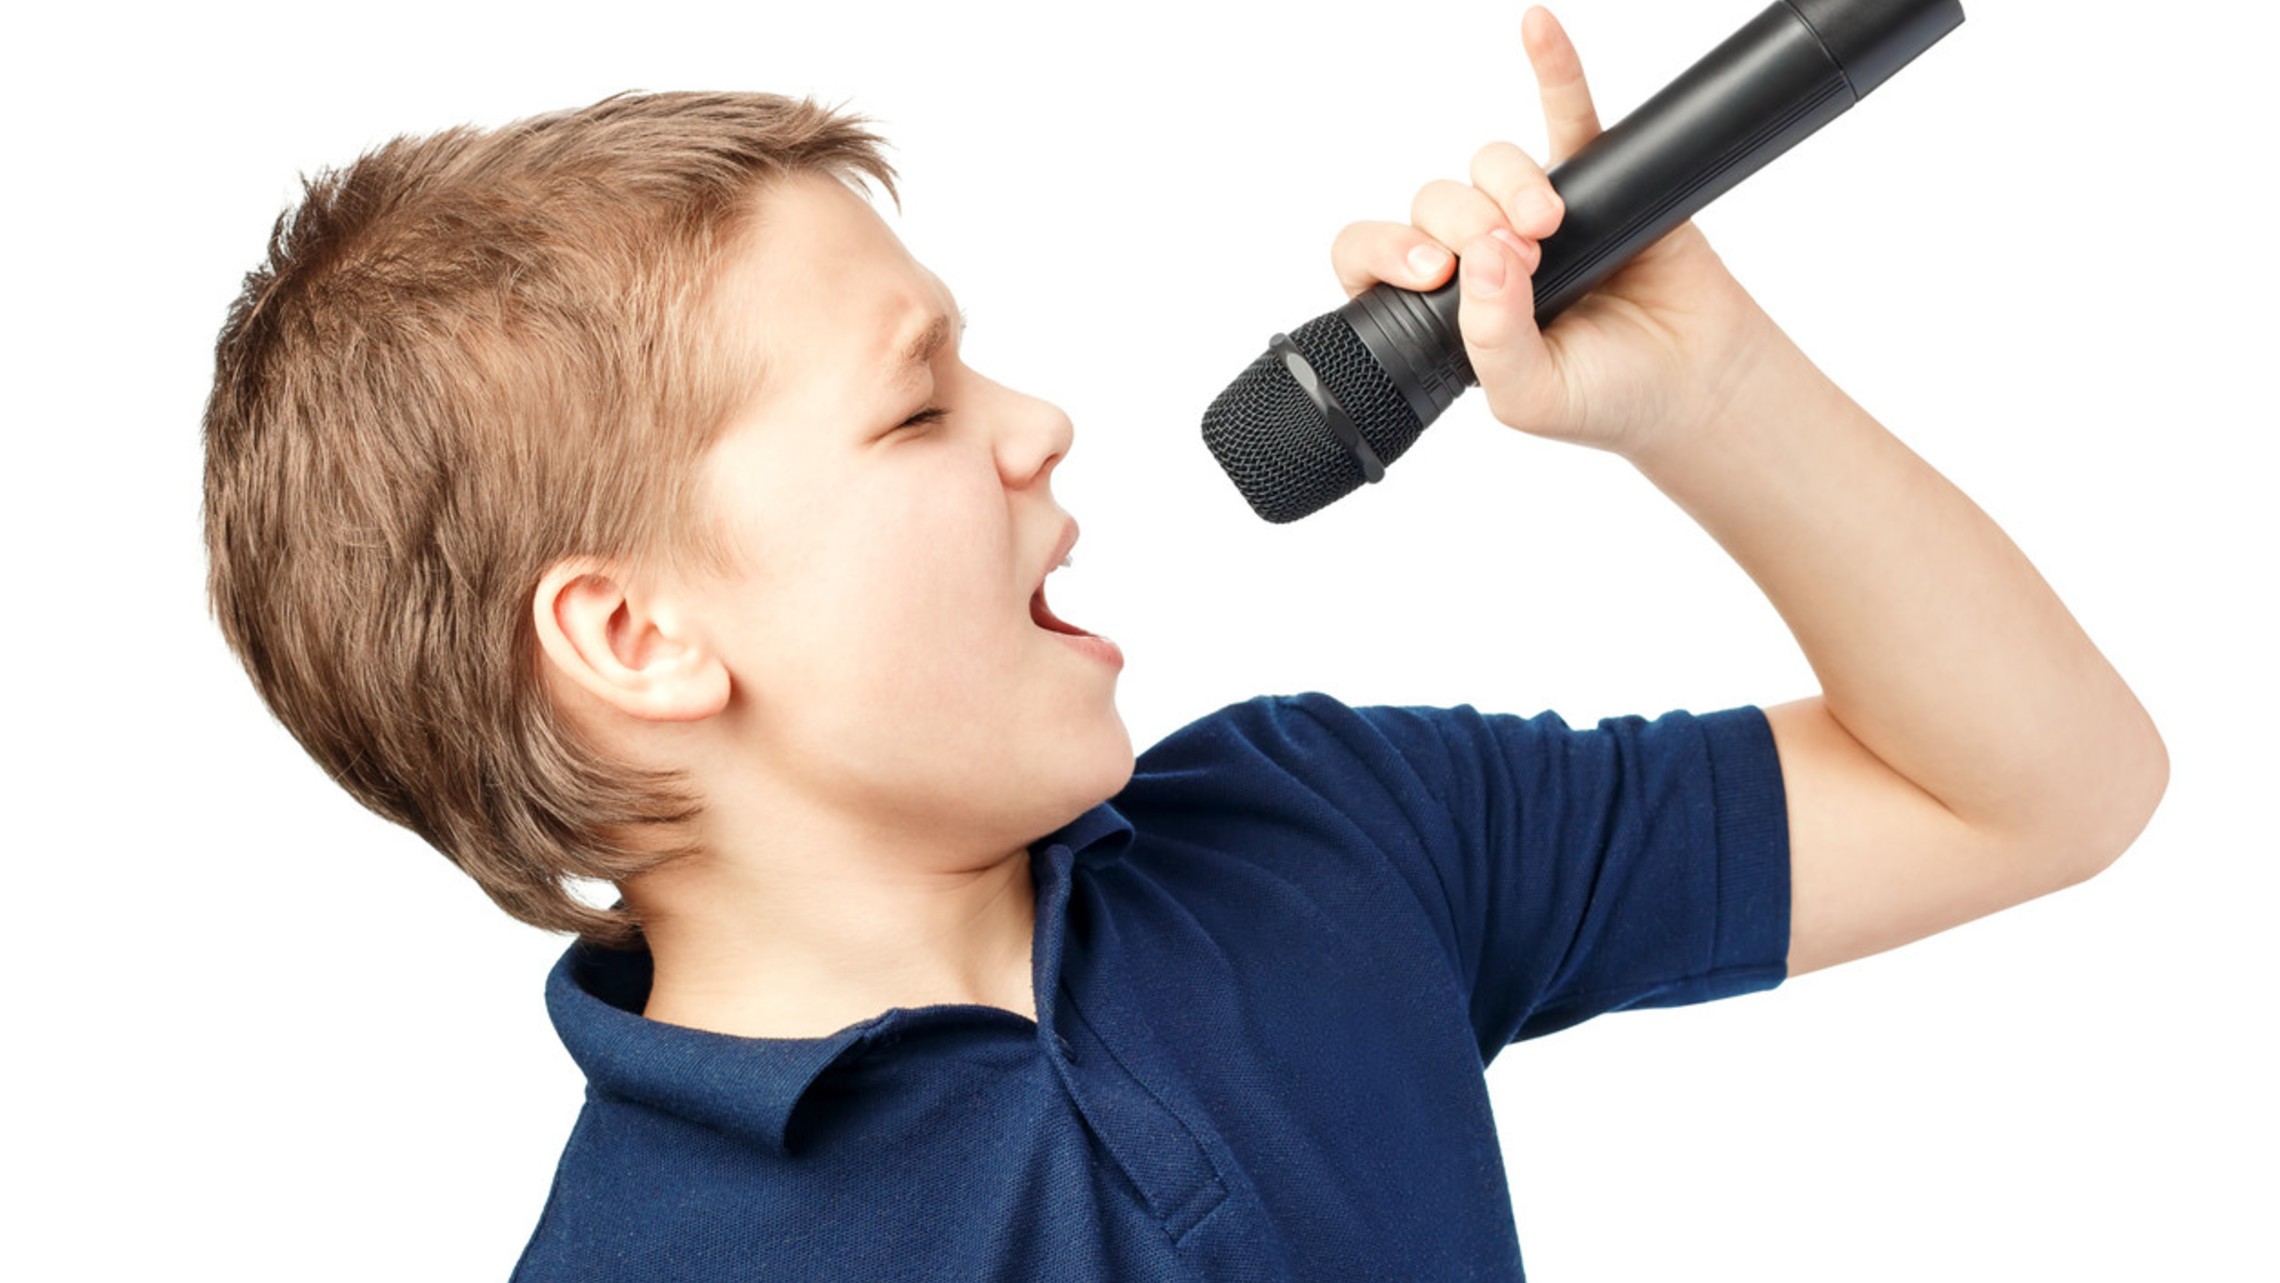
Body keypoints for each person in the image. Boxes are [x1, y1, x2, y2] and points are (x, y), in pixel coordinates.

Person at [200, 6, 2164, 1279]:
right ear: (638, 635)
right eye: (916, 406)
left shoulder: (1324, 825)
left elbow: (2039, 791)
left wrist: (1711, 392)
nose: (1039, 424)